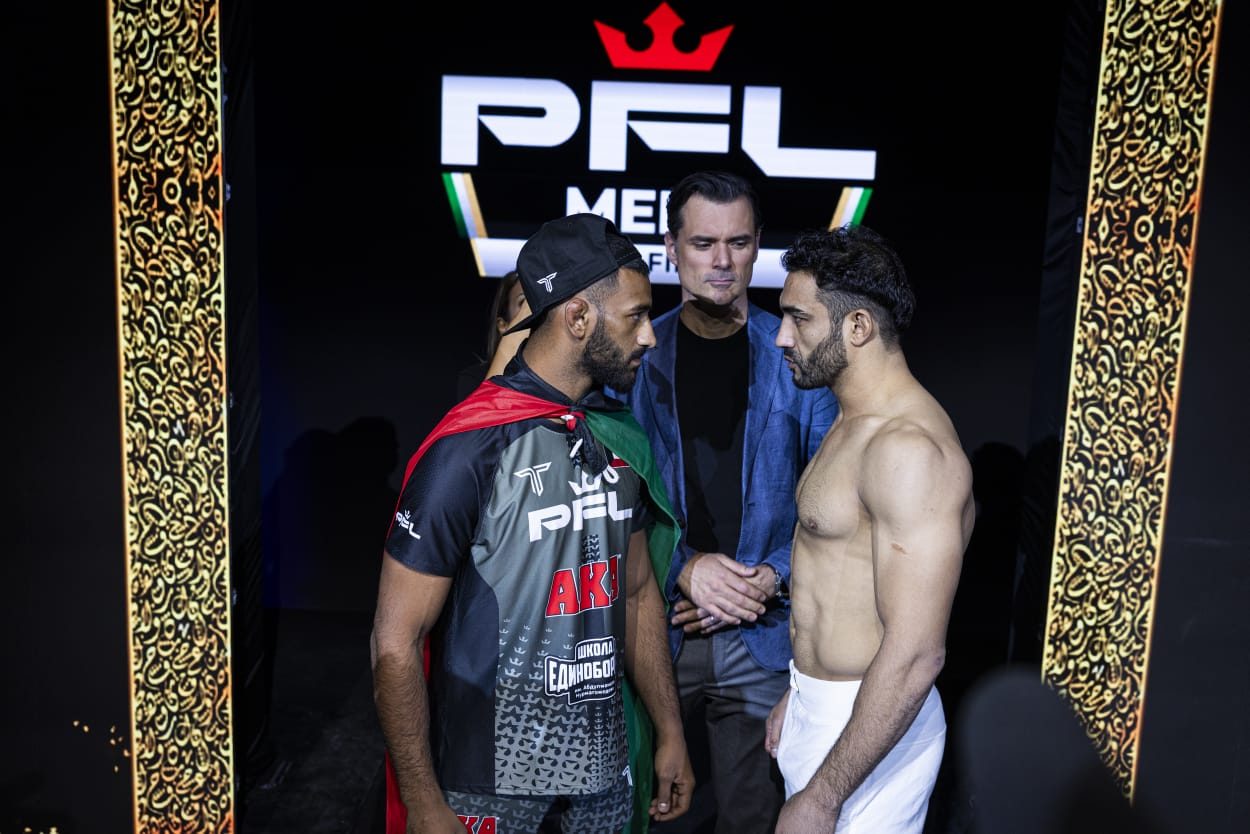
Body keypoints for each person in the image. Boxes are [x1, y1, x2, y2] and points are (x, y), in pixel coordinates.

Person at [371, 213, 695, 834]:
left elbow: (636, 593)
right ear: (577, 317)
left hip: (601, 771)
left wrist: (669, 730)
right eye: (635, 316)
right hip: (488, 779)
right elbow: (395, 640)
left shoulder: (616, 435)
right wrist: (423, 802)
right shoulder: (467, 449)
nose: (650, 337)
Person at [607, 170, 838, 833]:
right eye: (703, 243)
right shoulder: (635, 359)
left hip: (764, 631)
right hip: (659, 625)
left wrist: (769, 578)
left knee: (752, 819)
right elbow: (612, 496)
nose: (721, 261)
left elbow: (834, 503)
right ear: (671, 247)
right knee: (642, 810)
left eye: (738, 243)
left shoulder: (798, 359)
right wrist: (685, 568)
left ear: (758, 244)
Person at [763, 224, 975, 833]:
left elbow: (915, 654)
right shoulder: (851, 418)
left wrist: (822, 798)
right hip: (828, 708)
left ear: (857, 326)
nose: (781, 337)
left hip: (873, 733)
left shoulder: (908, 450)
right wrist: (802, 690)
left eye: (799, 319)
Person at [455, 269, 531, 401]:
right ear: (503, 325)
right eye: (523, 301)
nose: (534, 309)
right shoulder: (475, 377)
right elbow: (483, 410)